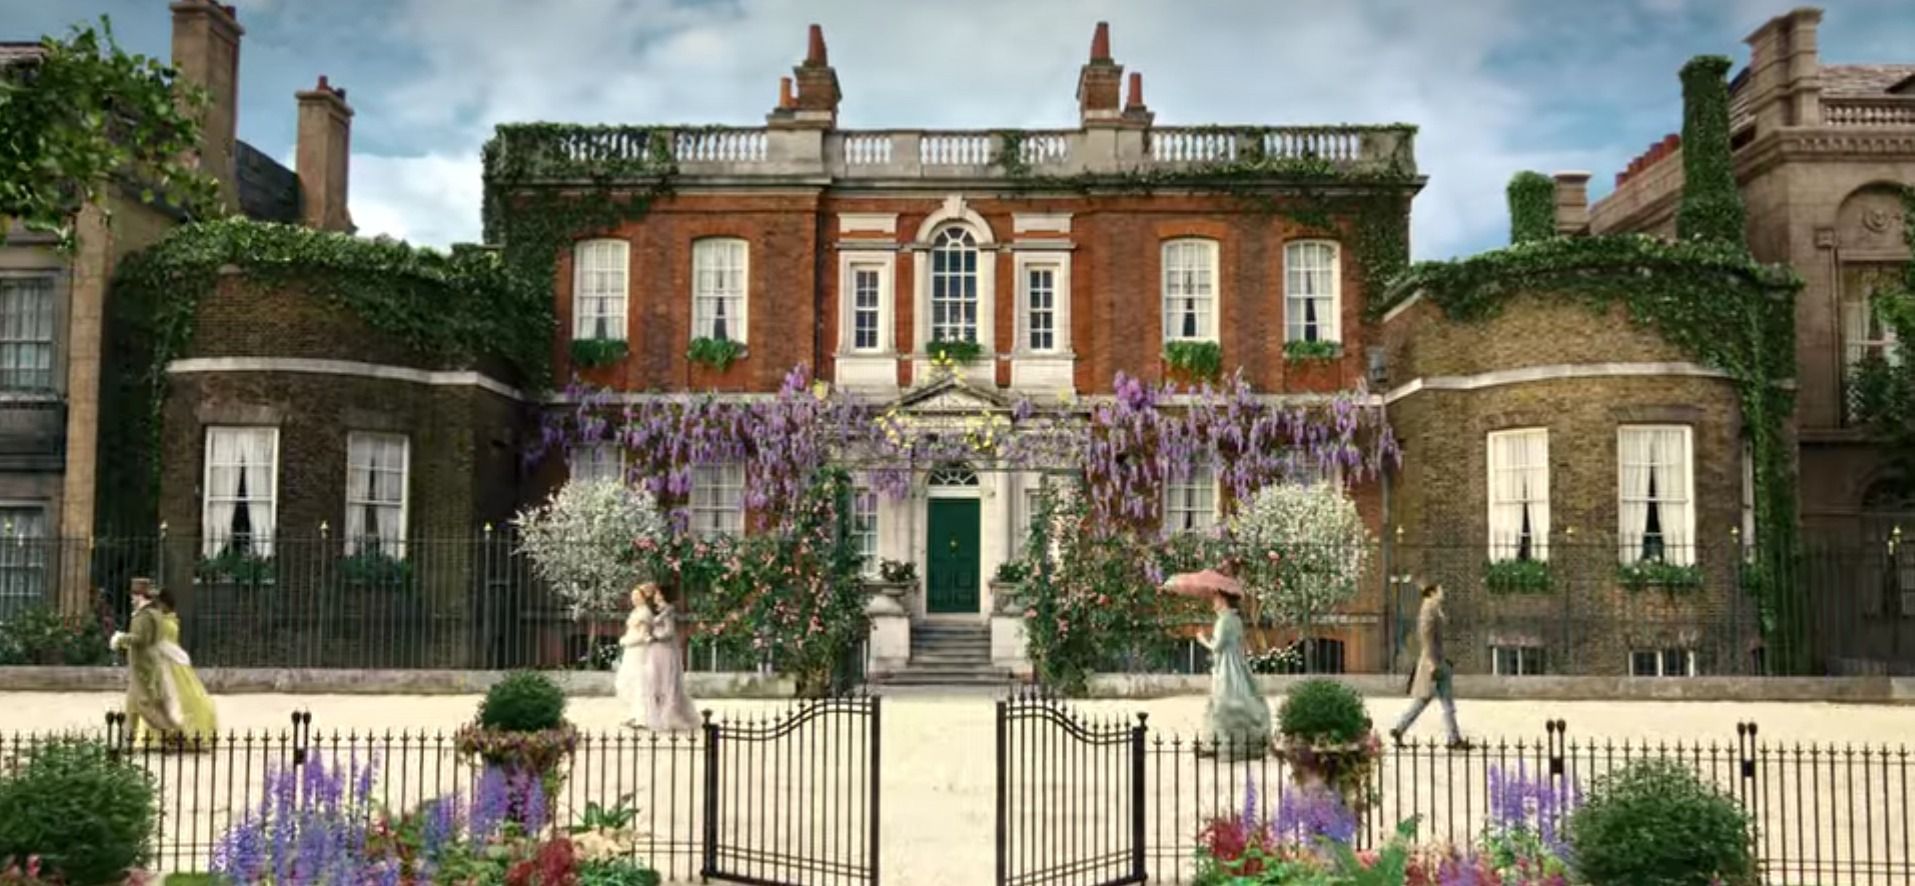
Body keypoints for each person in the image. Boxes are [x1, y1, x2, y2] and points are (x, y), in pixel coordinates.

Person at [109, 578, 217, 748]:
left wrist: (120, 639)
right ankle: (126, 742)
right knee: (134, 706)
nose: (132, 598)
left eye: (134, 595)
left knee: (149, 706)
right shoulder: (154, 616)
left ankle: (169, 734)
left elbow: (144, 640)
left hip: (150, 667)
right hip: (145, 667)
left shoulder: (150, 617)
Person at [1195, 565, 1271, 761]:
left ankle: (1225, 745)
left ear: (1223, 599)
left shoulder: (1224, 621)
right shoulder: (1235, 619)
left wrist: (1202, 639)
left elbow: (1217, 646)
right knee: (1236, 701)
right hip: (1237, 665)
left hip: (1227, 668)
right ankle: (1219, 742)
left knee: (1224, 703)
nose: (1213, 602)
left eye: (1215, 598)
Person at [1391, 581, 1469, 749]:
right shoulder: (1428, 609)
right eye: (1440, 590)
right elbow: (1425, 635)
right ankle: (1454, 739)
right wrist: (1432, 662)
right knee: (1445, 702)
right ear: (1432, 593)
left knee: (1425, 701)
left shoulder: (1433, 608)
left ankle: (1400, 728)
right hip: (1435, 663)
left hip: (1438, 662)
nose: (1443, 593)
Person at [618, 582, 700, 732]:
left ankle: (666, 716)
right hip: (656, 650)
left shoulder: (667, 611)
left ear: (662, 596)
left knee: (662, 682)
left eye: (657, 594)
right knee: (653, 683)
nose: (654, 596)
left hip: (663, 650)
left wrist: (653, 636)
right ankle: (651, 715)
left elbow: (669, 632)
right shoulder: (659, 611)